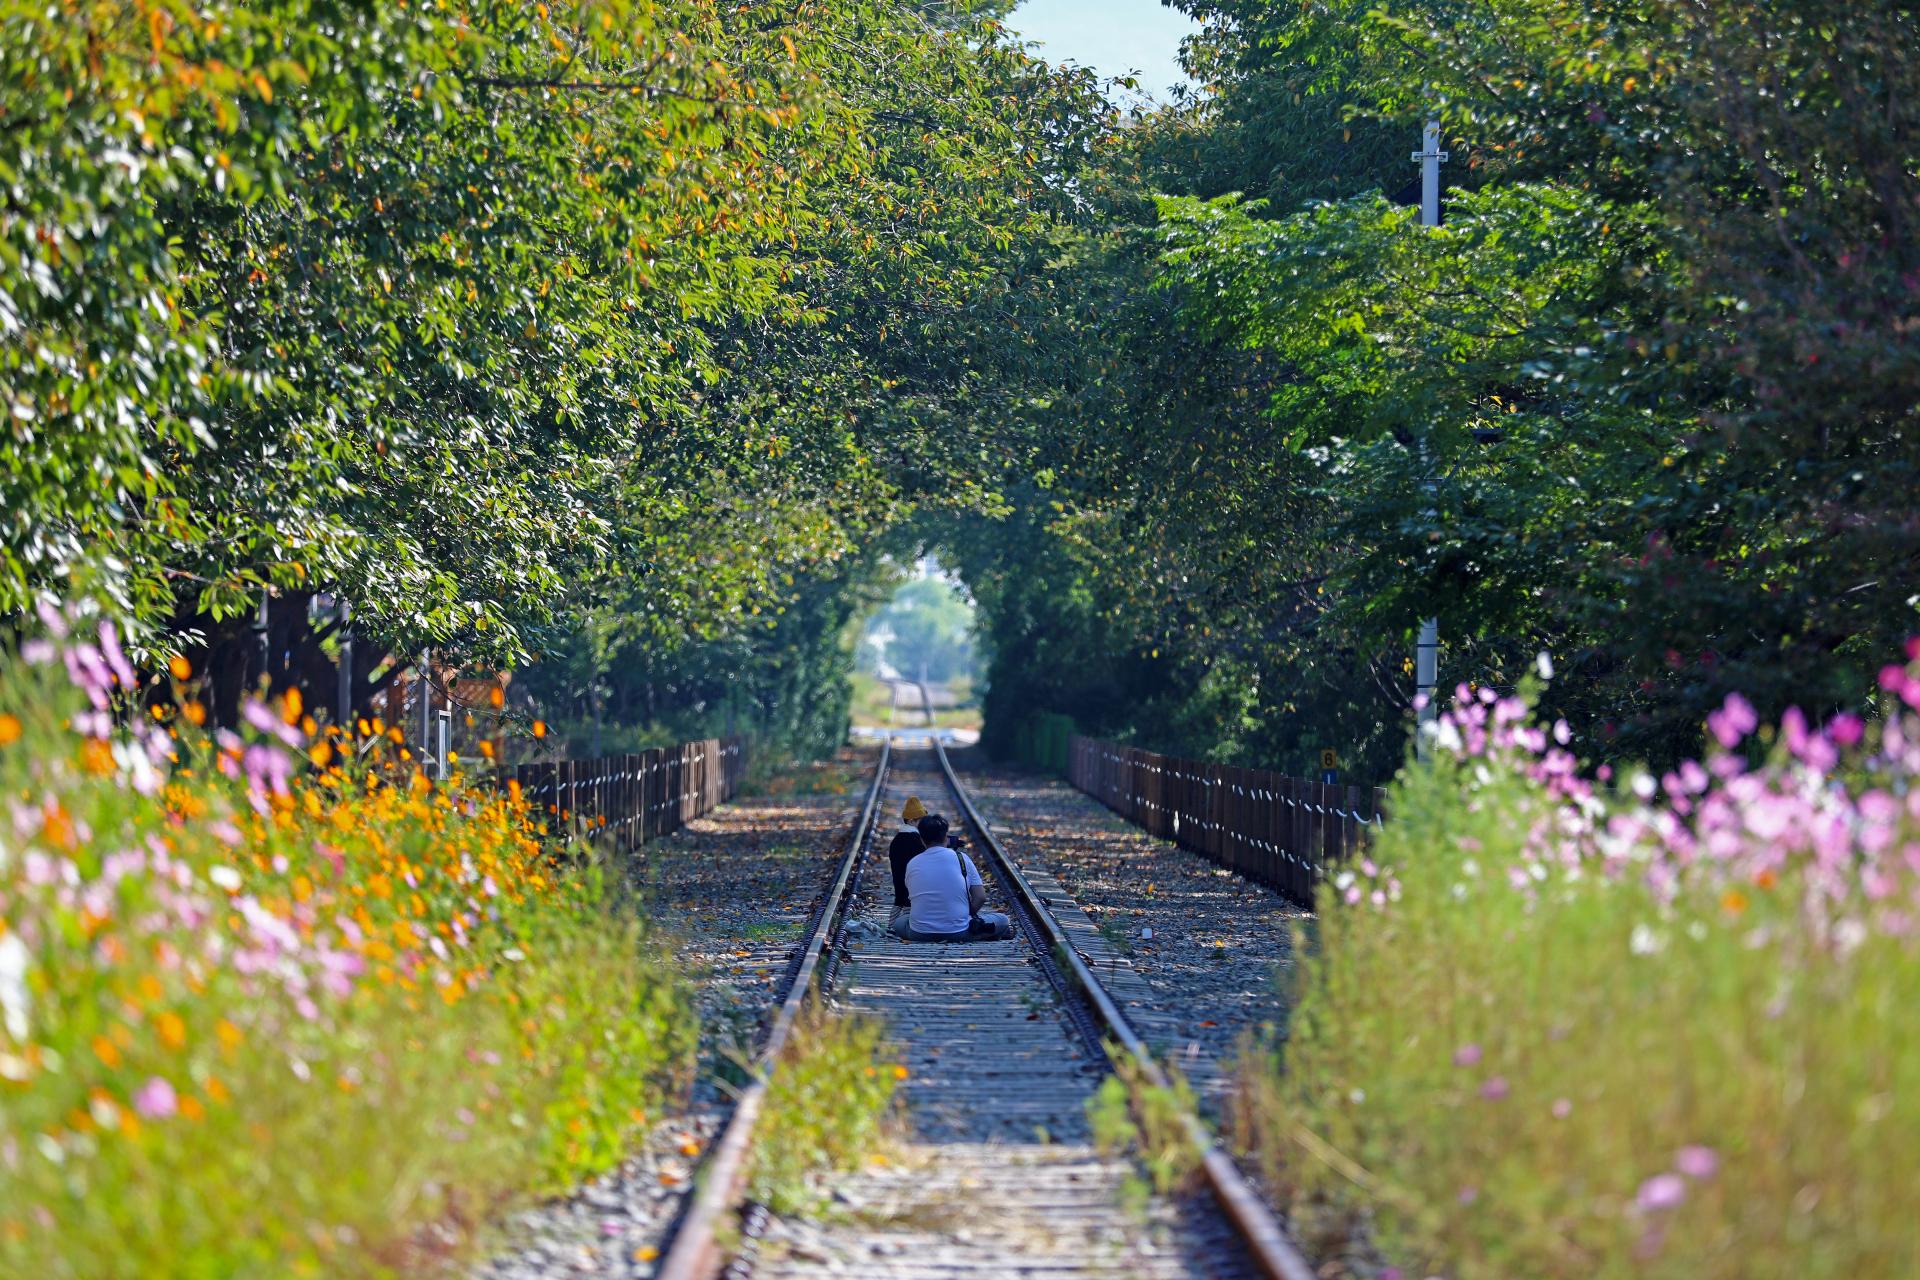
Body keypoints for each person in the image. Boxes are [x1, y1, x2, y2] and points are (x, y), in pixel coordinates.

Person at [893, 813, 1013, 942]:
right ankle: (987, 932)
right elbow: (980, 897)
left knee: (899, 922)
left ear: (921, 839)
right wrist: (965, 917)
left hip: (919, 933)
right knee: (1002, 919)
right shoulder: (962, 858)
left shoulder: (913, 863)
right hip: (958, 932)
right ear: (945, 837)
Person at [887, 797, 928, 939]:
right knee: (909, 906)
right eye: (920, 821)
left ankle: (891, 926)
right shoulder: (916, 840)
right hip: (914, 886)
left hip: (899, 882)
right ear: (911, 821)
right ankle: (905, 927)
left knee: (899, 901)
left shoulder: (897, 840)